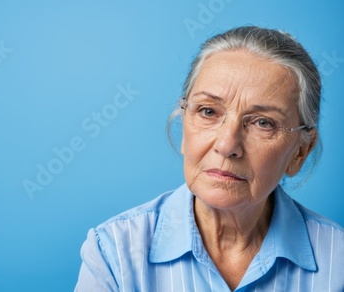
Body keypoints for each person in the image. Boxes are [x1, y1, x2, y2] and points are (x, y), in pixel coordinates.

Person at [74, 26, 344, 291]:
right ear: (183, 127)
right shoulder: (113, 253)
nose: (227, 145)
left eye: (263, 123)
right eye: (208, 112)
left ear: (300, 152)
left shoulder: (337, 262)